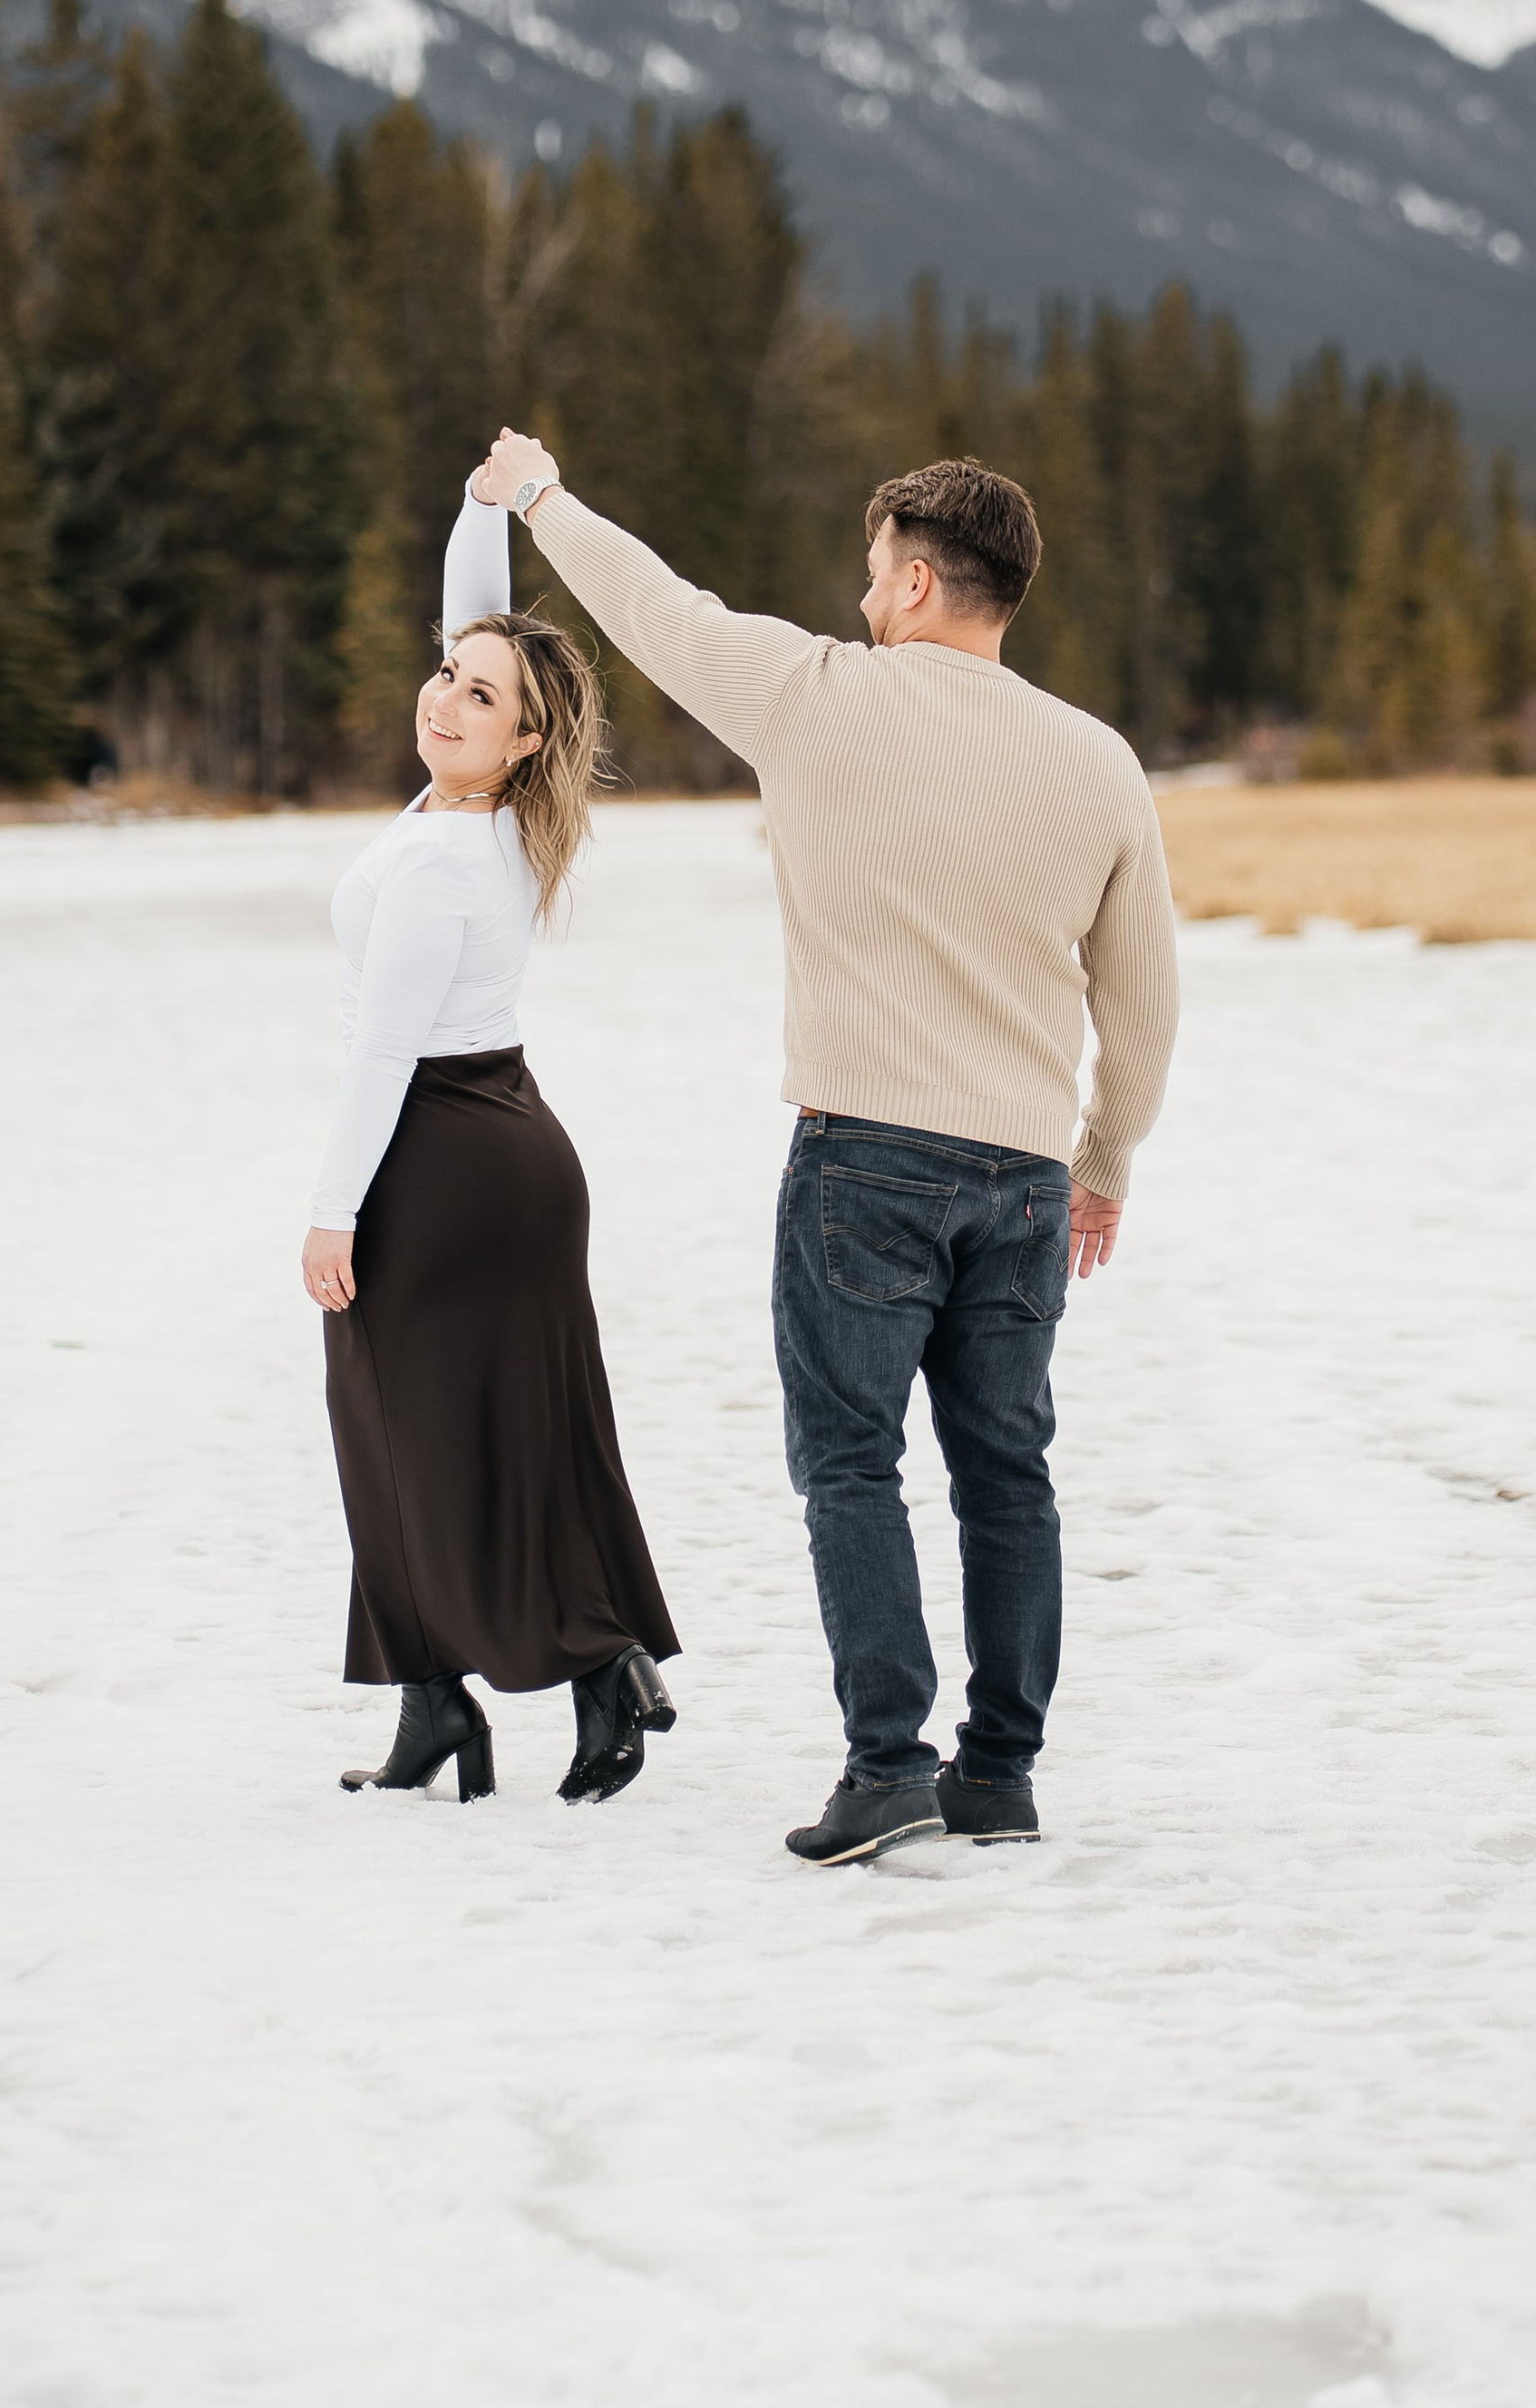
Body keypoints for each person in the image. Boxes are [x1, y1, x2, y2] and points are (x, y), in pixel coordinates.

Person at [472, 437, 1179, 1865]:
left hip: (866, 1161)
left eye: (872, 576)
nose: (861, 601)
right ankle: (999, 1775)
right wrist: (1102, 1159)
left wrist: (539, 496)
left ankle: (888, 1765)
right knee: (1009, 1473)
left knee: (854, 1466)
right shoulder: (1101, 762)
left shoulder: (813, 696)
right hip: (1025, 1181)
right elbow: (1145, 998)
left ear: (917, 582)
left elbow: (656, 610)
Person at [299, 480, 678, 1809]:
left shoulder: (441, 864)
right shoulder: (499, 816)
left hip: (443, 1161)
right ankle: (518, 1688)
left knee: (400, 1438)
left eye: (476, 698)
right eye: (442, 677)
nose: (444, 698)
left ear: (524, 740)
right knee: (519, 1436)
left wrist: (332, 1211)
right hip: (510, 1149)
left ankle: (515, 1683)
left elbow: (381, 1055)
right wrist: (482, 505)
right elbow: (486, 628)